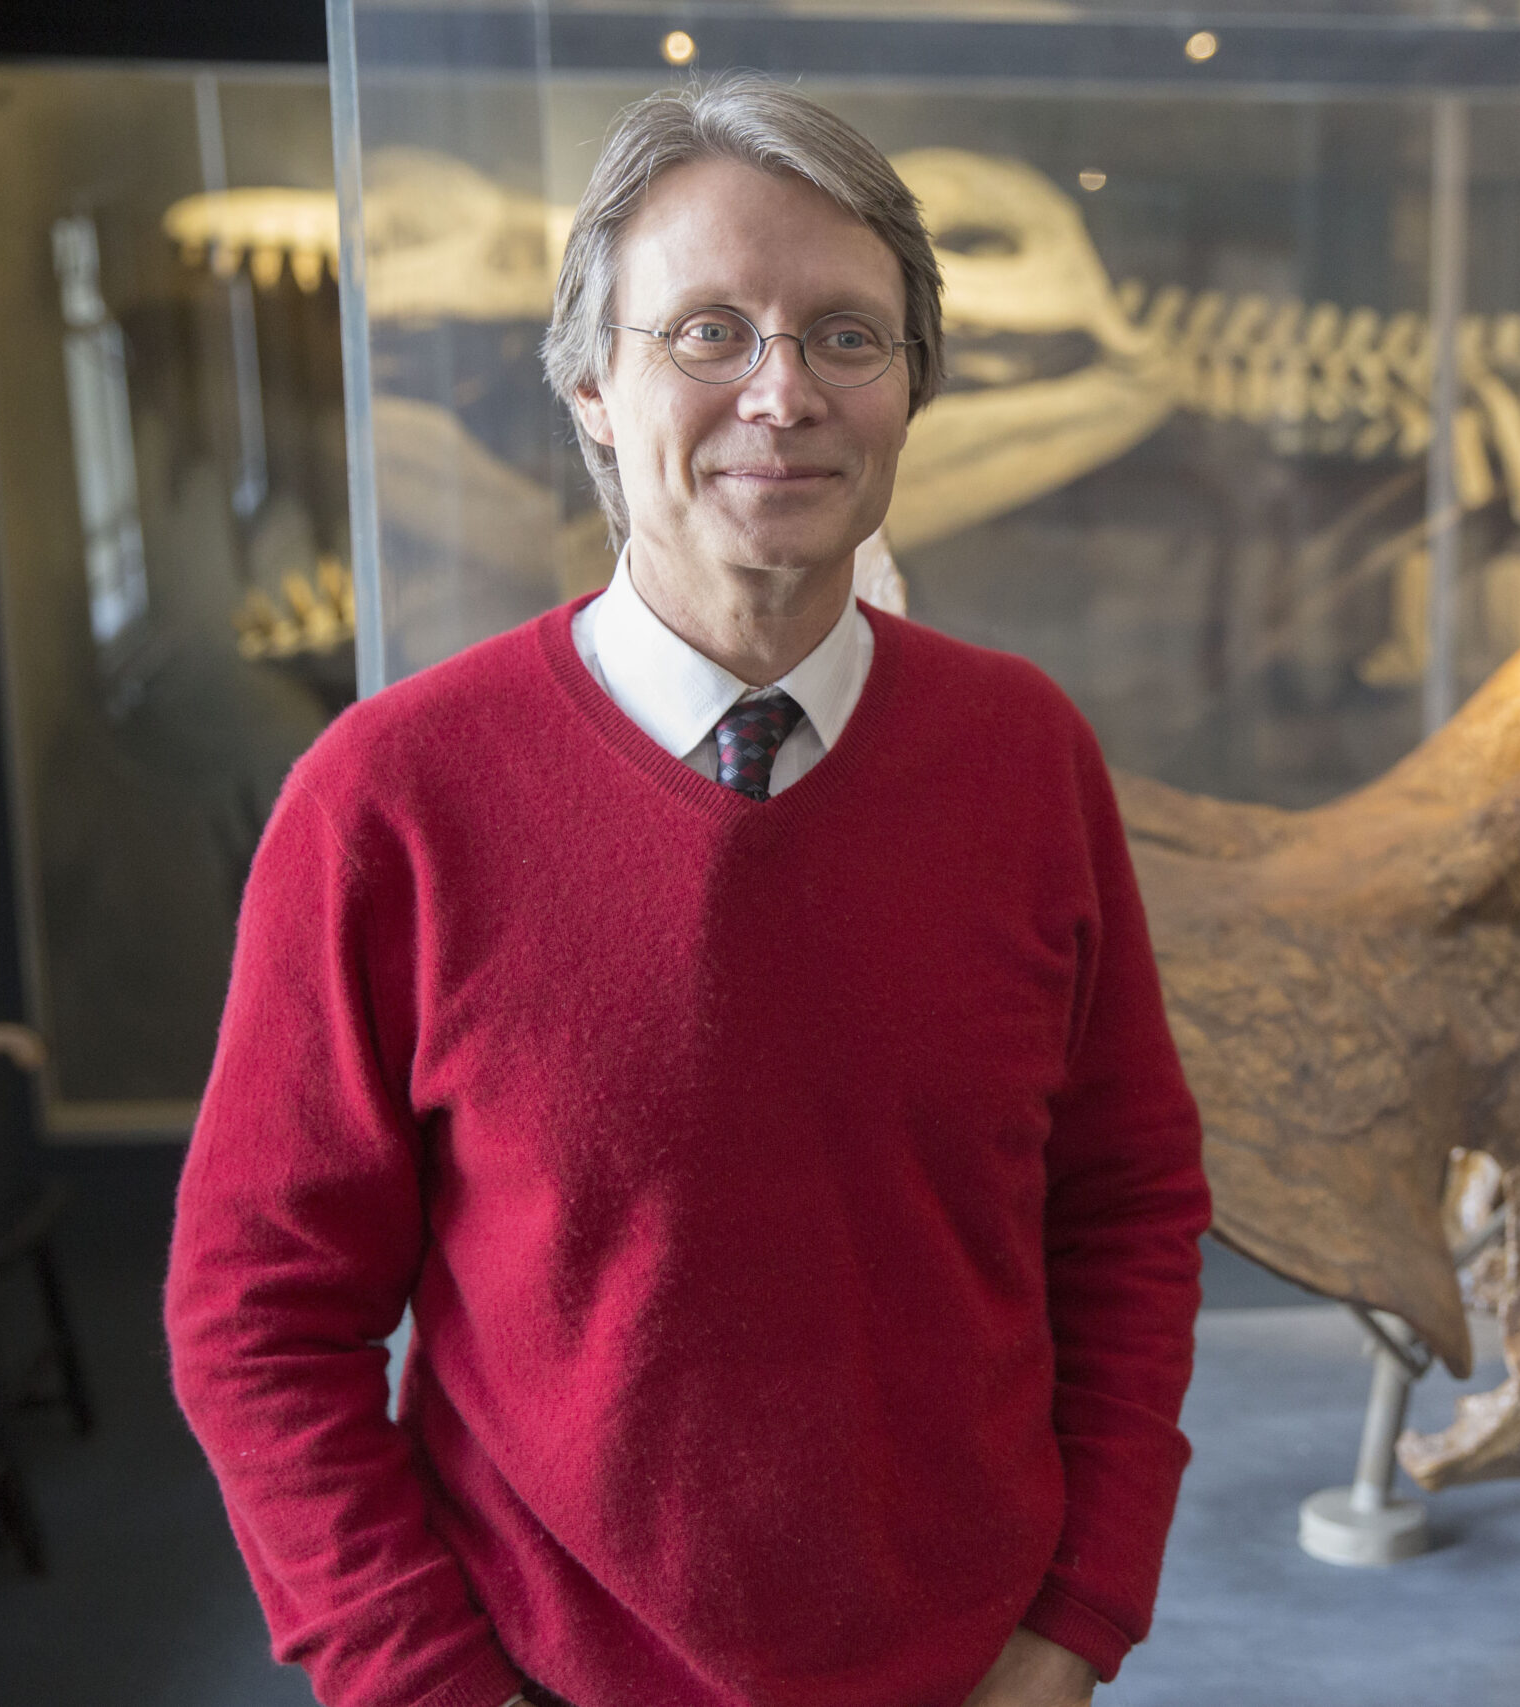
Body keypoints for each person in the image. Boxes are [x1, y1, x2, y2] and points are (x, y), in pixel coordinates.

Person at [166, 76, 1211, 1707]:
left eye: (847, 337)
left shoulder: (1026, 757)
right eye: (706, 332)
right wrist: (426, 1683)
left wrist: (1079, 1622)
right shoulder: (392, 802)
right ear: (591, 383)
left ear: (912, 386)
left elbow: (1128, 1205)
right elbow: (257, 1315)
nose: (781, 393)